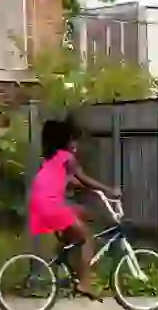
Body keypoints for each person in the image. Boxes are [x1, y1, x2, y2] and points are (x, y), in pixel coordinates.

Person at [28, 117, 120, 300]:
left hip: (40, 206)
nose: (76, 143)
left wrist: (82, 187)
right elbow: (83, 178)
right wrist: (110, 190)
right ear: (66, 141)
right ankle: (85, 283)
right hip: (52, 207)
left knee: (83, 214)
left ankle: (67, 257)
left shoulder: (50, 158)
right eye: (73, 139)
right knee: (87, 239)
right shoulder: (67, 158)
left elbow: (70, 180)